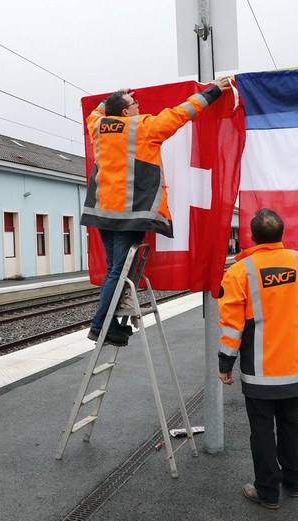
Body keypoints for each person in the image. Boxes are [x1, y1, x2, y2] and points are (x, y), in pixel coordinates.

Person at [82, 78, 232, 346]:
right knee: (118, 272)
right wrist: (213, 92)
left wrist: (115, 96)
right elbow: (181, 112)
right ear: (126, 112)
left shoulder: (97, 126)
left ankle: (112, 324)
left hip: (102, 213)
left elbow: (96, 112)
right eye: (133, 103)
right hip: (130, 214)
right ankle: (99, 325)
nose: (138, 105)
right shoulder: (143, 127)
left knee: (114, 271)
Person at [217, 208, 298, 509]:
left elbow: (231, 327)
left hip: (259, 372)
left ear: (251, 237)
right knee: (291, 423)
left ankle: (267, 492)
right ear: (281, 234)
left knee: (262, 430)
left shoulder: (240, 272)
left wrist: (225, 364)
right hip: (293, 367)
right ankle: (293, 484)